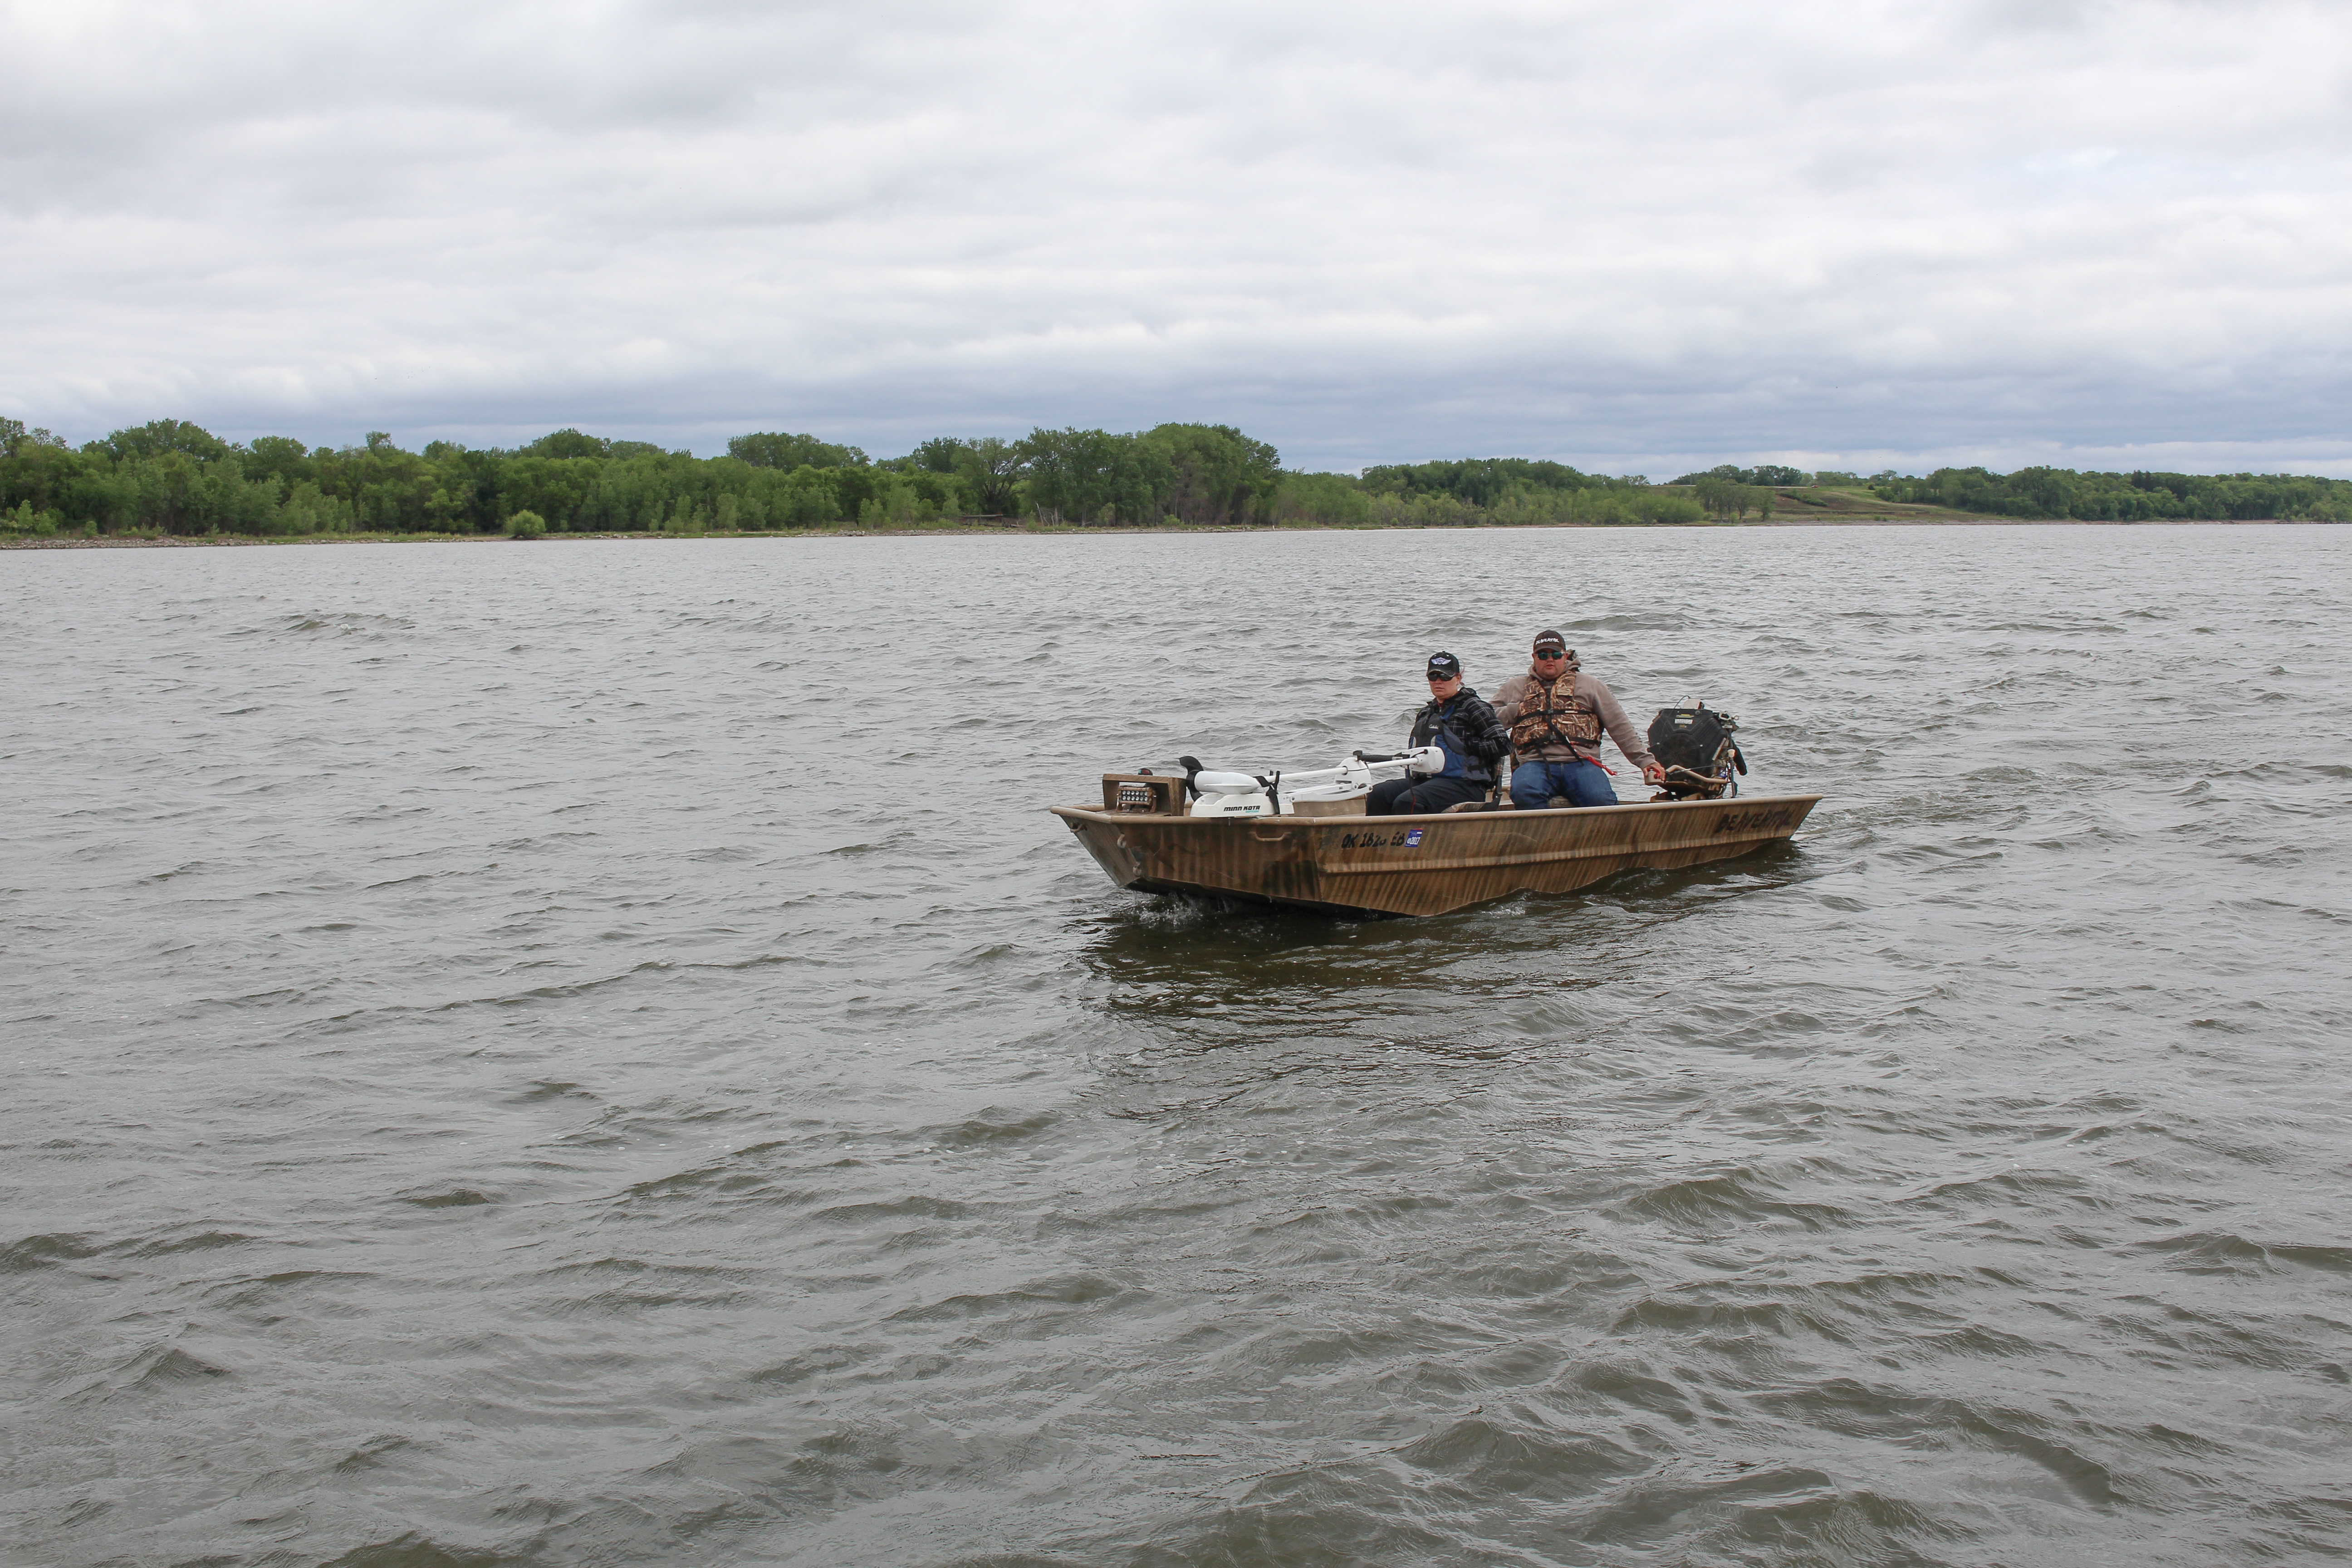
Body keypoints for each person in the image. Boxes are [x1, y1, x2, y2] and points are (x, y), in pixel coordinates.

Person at [1489, 630, 1666, 809]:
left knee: (1600, 799)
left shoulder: (1591, 685)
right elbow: (1487, 722)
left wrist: (1646, 761)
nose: (1550, 659)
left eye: (1556, 654)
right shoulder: (1514, 687)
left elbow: (1620, 726)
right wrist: (1517, 710)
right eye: (1543, 655)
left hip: (1582, 764)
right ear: (1534, 657)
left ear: (1565, 656)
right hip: (1535, 764)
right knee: (1524, 793)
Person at [1366, 652, 1512, 816]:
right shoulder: (1426, 713)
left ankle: (1412, 840)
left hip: (1465, 785)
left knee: (1408, 801)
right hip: (1426, 782)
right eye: (1433, 677)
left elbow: (1503, 745)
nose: (1439, 682)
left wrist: (1466, 747)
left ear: (1458, 678)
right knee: (1379, 794)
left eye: (1445, 677)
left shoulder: (1475, 708)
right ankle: (1378, 840)